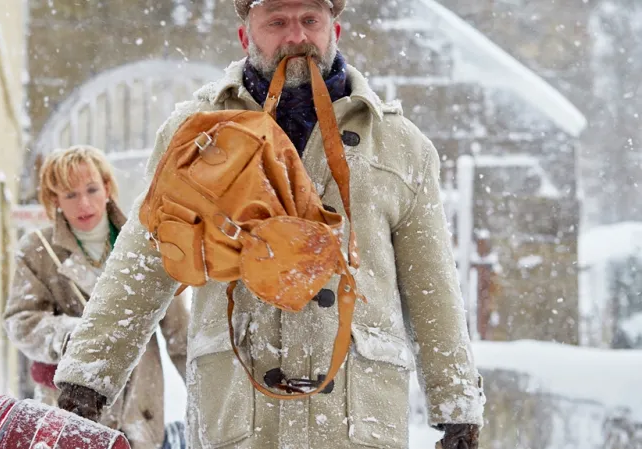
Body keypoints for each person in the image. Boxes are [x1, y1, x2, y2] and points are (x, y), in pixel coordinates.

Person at [53, 1, 485, 448]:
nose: (296, 37)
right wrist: (88, 376)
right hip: (238, 409)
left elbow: (431, 284)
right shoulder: (194, 131)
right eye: (277, 23)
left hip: (356, 417)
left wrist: (457, 408)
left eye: (309, 21)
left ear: (333, 29)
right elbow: (144, 258)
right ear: (246, 37)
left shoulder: (399, 144)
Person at [3, 145, 190, 449]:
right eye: (70, 194)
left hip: (139, 407)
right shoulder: (37, 250)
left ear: (107, 188)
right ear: (55, 201)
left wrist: (207, 392)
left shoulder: (146, 242)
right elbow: (21, 322)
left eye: (91, 189)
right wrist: (75, 336)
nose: (84, 203)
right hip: (68, 412)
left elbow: (181, 335)